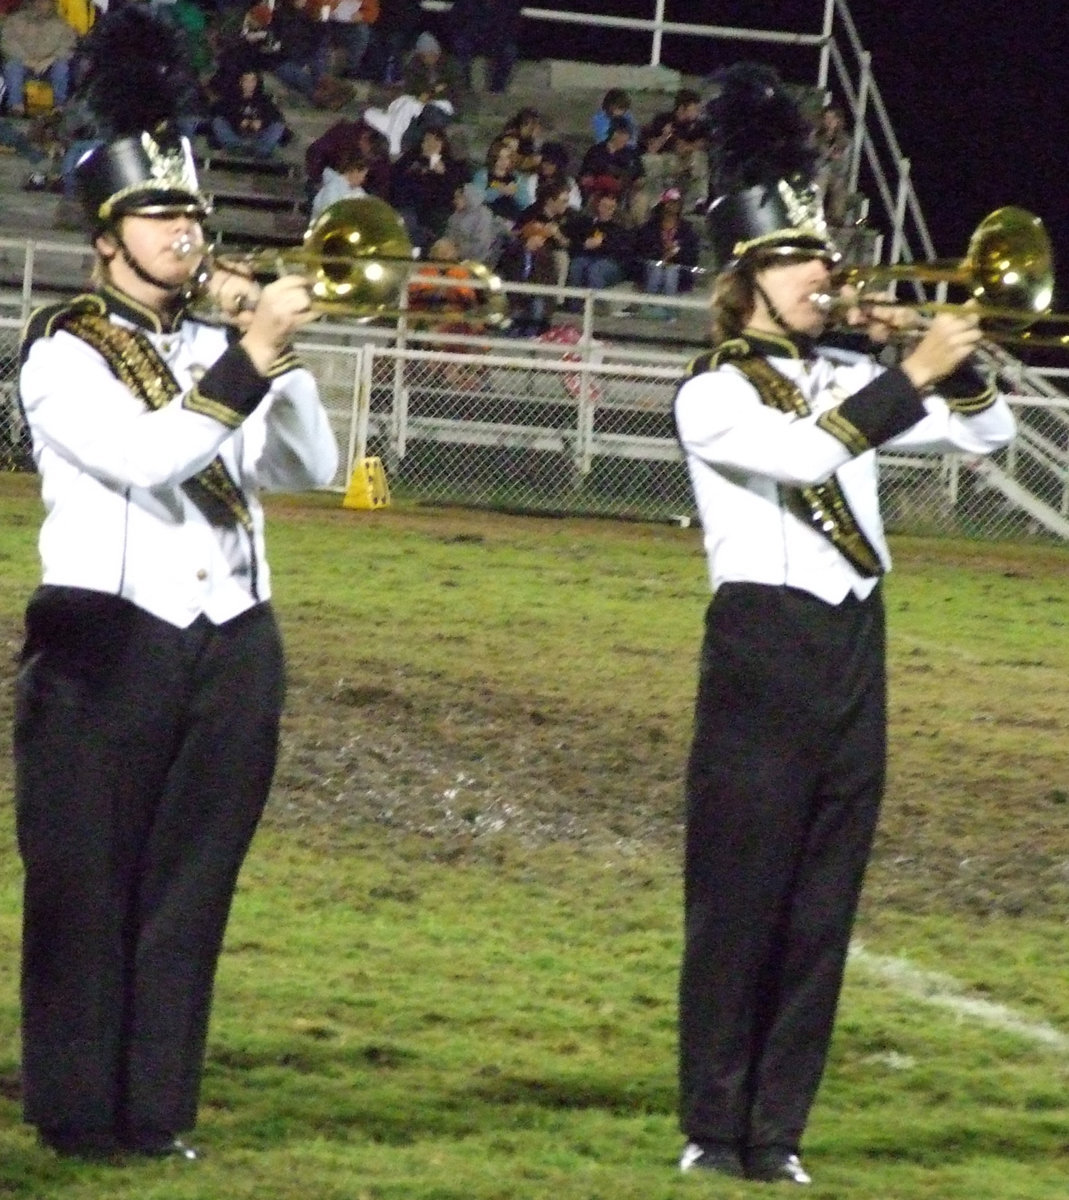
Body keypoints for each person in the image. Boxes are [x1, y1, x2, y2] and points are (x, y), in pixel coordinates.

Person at [674, 62, 1016, 1187]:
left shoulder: (843, 373)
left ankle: (777, 1132)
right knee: (738, 901)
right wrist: (905, 370)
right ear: (746, 277)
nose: (823, 273)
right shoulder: (712, 391)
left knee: (823, 906)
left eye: (821, 255)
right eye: (797, 259)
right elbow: (804, 455)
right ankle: (711, 1126)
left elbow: (986, 439)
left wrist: (945, 361)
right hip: (762, 646)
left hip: (854, 647)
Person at [13, 122, 339, 1161]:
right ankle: (77, 1113)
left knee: (190, 888)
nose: (182, 231)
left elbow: (311, 468)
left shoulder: (213, 346)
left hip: (233, 642)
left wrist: (279, 356)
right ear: (106, 239)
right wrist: (250, 355)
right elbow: (148, 458)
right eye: (156, 215)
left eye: (191, 213)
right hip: (105, 642)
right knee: (84, 887)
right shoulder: (63, 349)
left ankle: (154, 1111)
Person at [632, 187, 700, 318]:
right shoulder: (650, 227)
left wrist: (676, 253)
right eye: (671, 202)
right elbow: (642, 249)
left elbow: (692, 255)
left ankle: (669, 311)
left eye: (676, 203)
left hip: (678, 268)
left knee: (671, 271)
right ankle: (650, 307)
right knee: (657, 267)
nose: (673, 206)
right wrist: (662, 252)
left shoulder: (687, 229)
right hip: (652, 264)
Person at [1, 0, 78, 117]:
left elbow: (68, 46)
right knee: (12, 66)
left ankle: (59, 107)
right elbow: (7, 43)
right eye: (37, 1)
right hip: (24, 63)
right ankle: (16, 106)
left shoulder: (61, 24)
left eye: (45, 2)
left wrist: (49, 60)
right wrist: (26, 60)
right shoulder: (16, 21)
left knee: (61, 67)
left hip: (48, 66)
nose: (40, 4)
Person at [564, 189, 632, 307]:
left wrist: (603, 244)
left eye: (611, 207)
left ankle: (595, 308)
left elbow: (622, 249)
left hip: (612, 261)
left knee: (596, 270)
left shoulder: (622, 225)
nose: (607, 210)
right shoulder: (586, 222)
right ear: (598, 206)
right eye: (604, 206)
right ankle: (574, 307)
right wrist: (585, 244)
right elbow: (573, 239)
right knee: (577, 265)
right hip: (587, 256)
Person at [209, 65, 289, 158]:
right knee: (218, 121)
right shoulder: (230, 98)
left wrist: (262, 123)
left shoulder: (263, 99)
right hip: (236, 133)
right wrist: (239, 121)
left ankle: (262, 151)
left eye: (253, 80)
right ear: (240, 82)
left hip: (258, 136)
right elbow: (220, 112)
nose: (250, 84)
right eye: (246, 80)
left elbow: (275, 116)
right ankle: (236, 148)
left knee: (278, 126)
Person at [449, 0, 521, 94]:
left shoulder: (509, 3)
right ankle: (464, 84)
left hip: (497, 39)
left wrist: (499, 39)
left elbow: (512, 27)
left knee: (509, 51)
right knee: (461, 45)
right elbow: (455, 21)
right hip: (472, 37)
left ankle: (497, 88)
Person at [310, 145, 368, 218]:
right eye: (363, 175)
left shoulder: (358, 191)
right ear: (355, 171)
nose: (363, 179)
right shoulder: (332, 189)